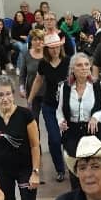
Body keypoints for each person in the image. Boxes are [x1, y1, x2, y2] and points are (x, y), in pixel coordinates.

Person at [27, 33, 70, 180]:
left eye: (57, 47)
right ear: (47, 49)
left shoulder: (68, 61)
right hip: (49, 106)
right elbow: (38, 81)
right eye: (51, 48)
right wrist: (30, 99)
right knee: (54, 138)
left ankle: (72, 164)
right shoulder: (43, 63)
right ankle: (60, 169)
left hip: (67, 107)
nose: (55, 50)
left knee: (69, 137)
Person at [57, 52, 101, 162]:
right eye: (79, 65)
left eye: (87, 64)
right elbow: (59, 111)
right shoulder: (65, 87)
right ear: (72, 69)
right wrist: (61, 121)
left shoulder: (98, 86)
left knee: (94, 167)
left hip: (93, 133)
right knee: (75, 168)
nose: (84, 68)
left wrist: (96, 117)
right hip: (72, 133)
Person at [18, 29, 45, 101]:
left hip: (48, 93)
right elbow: (22, 74)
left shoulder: (48, 54)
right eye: (35, 40)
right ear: (31, 41)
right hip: (31, 93)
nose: (38, 42)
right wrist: (21, 88)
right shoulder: (26, 54)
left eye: (40, 39)